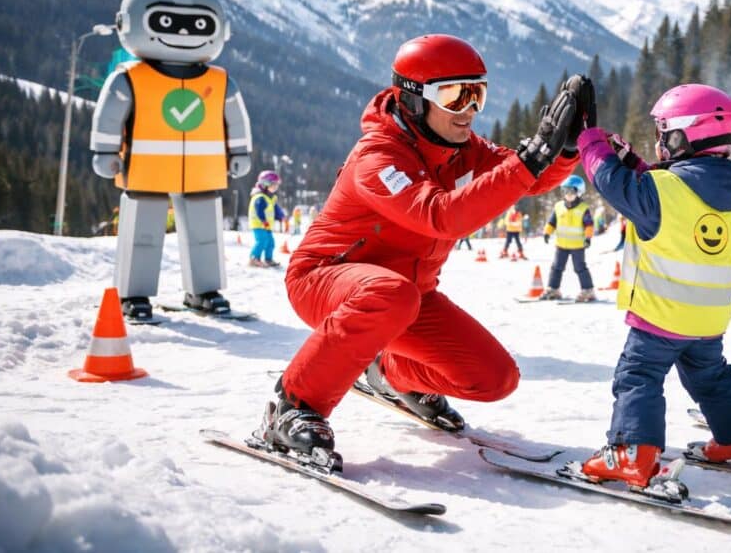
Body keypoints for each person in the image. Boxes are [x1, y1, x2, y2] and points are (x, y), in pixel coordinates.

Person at [258, 34, 594, 466]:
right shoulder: (378, 157)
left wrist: (562, 151)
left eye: (478, 95)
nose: (469, 110)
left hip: (408, 298)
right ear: (413, 99)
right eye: (455, 96)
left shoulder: (462, 150)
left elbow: (526, 180)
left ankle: (391, 374)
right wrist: (528, 160)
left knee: (494, 378)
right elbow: (441, 216)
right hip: (325, 280)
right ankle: (293, 406)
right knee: (389, 294)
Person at [573, 84, 731, 488]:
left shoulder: (662, 190)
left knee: (638, 375)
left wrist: (591, 142)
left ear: (684, 134)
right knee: (710, 377)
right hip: (707, 318)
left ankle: (631, 453)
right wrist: (631, 160)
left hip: (661, 315)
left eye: (664, 131)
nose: (659, 141)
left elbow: (615, 185)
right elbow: (663, 188)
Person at [90, 0, 253, 321]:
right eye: (165, 22)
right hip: (146, 169)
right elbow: (110, 117)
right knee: (142, 233)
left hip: (202, 170)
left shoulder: (220, 82)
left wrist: (240, 152)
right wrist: (104, 152)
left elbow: (235, 121)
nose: (182, 33)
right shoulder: (129, 78)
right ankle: (133, 294)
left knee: (205, 234)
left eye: (197, 25)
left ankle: (205, 291)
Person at [541, 174, 596, 301]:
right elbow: (552, 222)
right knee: (556, 267)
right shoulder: (558, 207)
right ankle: (553, 289)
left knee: (580, 268)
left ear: (579, 192)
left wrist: (588, 238)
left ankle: (588, 290)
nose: (568, 194)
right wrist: (547, 232)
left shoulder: (583, 209)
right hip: (561, 245)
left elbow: (589, 225)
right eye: (565, 191)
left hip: (577, 245)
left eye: (571, 191)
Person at [249, 170, 286, 268]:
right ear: (265, 184)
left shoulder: (270, 198)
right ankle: (254, 258)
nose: (275, 188)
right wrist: (263, 220)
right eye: (273, 185)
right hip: (259, 224)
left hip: (267, 226)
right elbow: (259, 211)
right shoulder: (260, 197)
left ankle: (268, 259)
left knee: (270, 242)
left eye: (277, 185)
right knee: (261, 241)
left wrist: (281, 216)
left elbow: (275, 209)